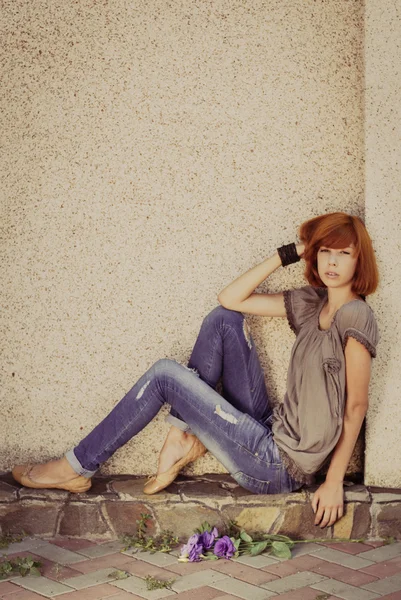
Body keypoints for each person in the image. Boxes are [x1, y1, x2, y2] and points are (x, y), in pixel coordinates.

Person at [12, 211, 379, 528]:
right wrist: (291, 252)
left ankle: (77, 466)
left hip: (276, 465)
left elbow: (356, 407)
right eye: (325, 252)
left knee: (165, 375)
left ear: (359, 260)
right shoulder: (311, 304)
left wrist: (333, 481)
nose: (332, 262)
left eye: (343, 253)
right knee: (223, 319)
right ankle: (183, 435)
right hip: (271, 426)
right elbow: (230, 298)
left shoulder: (356, 314)